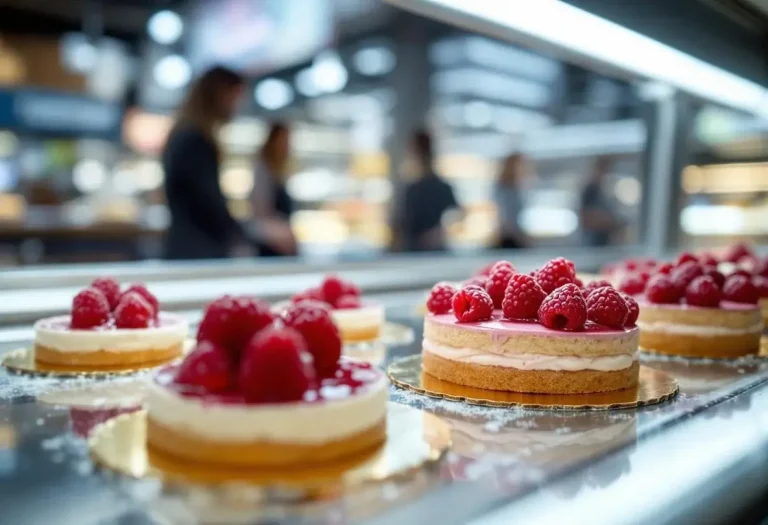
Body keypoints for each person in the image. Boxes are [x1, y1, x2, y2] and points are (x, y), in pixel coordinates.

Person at [162, 66, 251, 260]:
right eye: (235, 96)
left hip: (187, 248)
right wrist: (252, 233)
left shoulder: (185, 134)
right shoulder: (194, 140)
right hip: (197, 252)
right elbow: (209, 203)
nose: (238, 105)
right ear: (219, 93)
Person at [395, 130, 459, 252]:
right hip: (411, 250)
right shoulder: (410, 187)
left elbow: (456, 215)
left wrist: (438, 232)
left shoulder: (439, 187)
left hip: (433, 251)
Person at [249, 122, 297, 256]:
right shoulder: (263, 171)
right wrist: (278, 231)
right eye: (282, 140)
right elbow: (260, 215)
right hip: (271, 246)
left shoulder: (281, 173)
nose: (286, 146)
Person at [579, 156, 622, 247]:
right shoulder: (590, 190)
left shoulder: (603, 191)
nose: (605, 174)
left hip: (605, 243)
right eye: (604, 170)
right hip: (592, 243)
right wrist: (610, 221)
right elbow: (587, 219)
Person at [494, 154, 529, 249]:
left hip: (514, 234)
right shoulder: (504, 188)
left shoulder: (518, 187)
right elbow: (505, 214)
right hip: (509, 236)